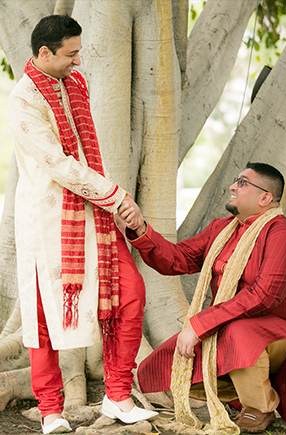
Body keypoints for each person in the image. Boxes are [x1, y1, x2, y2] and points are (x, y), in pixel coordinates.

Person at [8, 14, 158, 434]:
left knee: (130, 293)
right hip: (49, 222)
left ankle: (118, 395)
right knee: (43, 315)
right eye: (70, 54)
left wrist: (108, 200)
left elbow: (84, 156)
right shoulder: (23, 102)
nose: (78, 61)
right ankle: (51, 410)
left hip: (94, 215)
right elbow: (59, 165)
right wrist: (117, 197)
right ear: (43, 53)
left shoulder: (75, 83)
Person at [117, 162, 286, 434]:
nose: (232, 187)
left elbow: (263, 297)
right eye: (236, 181)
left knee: (237, 333)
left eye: (242, 182)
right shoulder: (222, 229)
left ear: (265, 198)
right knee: (162, 363)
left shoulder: (284, 235)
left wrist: (199, 325)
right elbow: (177, 259)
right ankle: (241, 392)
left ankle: (260, 407)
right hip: (233, 325)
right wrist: (141, 229)